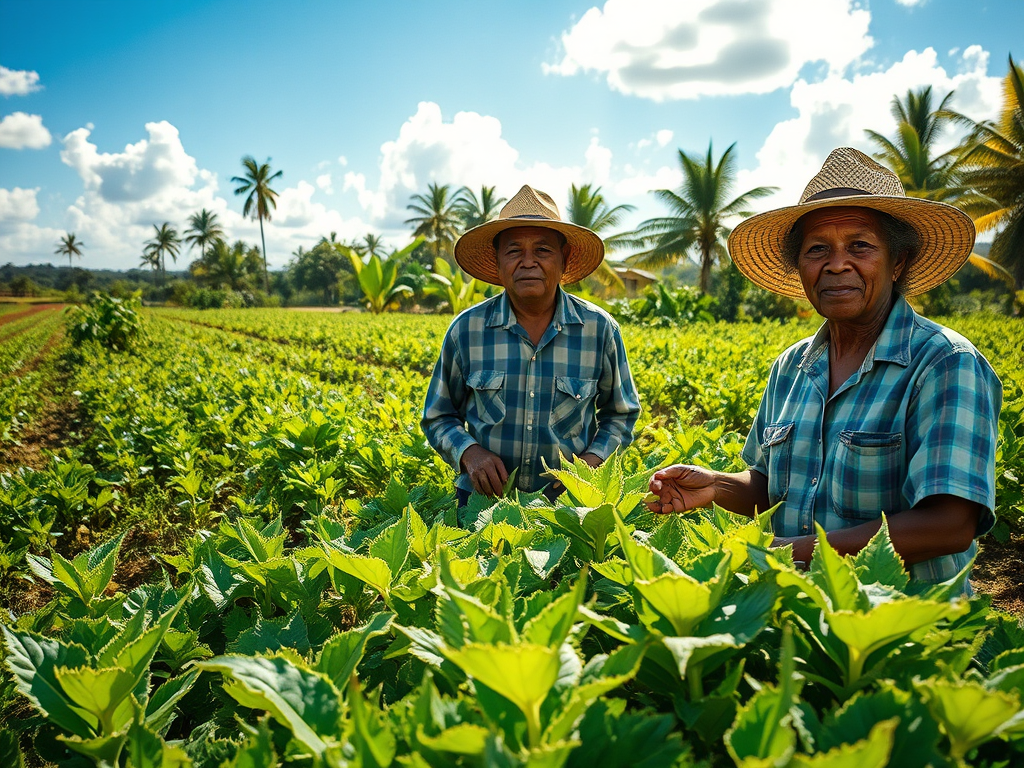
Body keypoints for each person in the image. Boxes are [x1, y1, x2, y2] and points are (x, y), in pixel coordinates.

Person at [647, 147, 1002, 587]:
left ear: (898, 262)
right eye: (818, 249)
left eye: (860, 246)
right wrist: (716, 486)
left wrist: (787, 553)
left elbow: (948, 525)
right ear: (800, 267)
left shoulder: (945, 364)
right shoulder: (791, 367)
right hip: (800, 616)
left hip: (906, 629)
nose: (837, 264)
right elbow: (767, 487)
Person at [422, 185, 641, 507]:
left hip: (567, 505)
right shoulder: (466, 330)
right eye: (513, 251)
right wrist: (469, 452)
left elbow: (620, 415)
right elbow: (438, 415)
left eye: (542, 250)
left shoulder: (599, 330)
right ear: (497, 262)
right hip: (482, 502)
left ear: (564, 260)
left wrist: (589, 466)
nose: (528, 262)